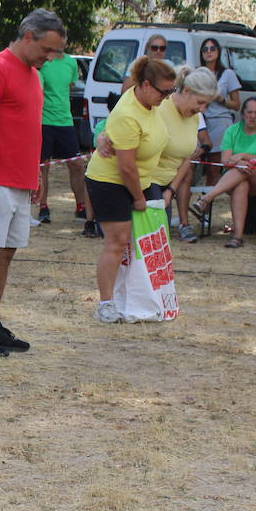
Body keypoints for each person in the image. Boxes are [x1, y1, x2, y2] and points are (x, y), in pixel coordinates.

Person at [0, 9, 66, 354]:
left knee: (5, 253)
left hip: (19, 179)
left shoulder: (33, 73)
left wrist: (32, 172)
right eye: (47, 50)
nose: (49, 58)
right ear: (28, 37)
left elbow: (27, 125)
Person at [85, 55, 175, 323]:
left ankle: (139, 298)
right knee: (117, 242)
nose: (167, 97)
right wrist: (138, 198)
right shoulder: (128, 113)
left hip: (142, 180)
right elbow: (126, 167)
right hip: (110, 182)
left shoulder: (148, 102)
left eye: (172, 91)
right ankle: (106, 303)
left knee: (145, 242)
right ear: (146, 85)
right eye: (164, 91)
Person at [189, 96, 256, 248]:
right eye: (249, 112)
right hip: (235, 176)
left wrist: (243, 156)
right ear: (243, 114)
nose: (252, 116)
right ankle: (237, 237)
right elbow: (225, 160)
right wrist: (240, 163)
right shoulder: (232, 130)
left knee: (242, 172)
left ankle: (207, 199)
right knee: (241, 184)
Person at [152, 66, 216, 243]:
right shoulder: (160, 106)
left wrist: (171, 190)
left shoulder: (194, 117)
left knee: (159, 246)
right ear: (186, 91)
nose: (202, 109)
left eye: (206, 105)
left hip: (165, 185)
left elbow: (187, 158)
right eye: (200, 102)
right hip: (145, 183)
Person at [35, 49, 95, 235]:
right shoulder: (44, 61)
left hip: (65, 121)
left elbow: (68, 86)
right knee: (43, 166)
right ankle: (43, 207)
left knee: (76, 165)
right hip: (44, 121)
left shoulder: (70, 62)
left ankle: (80, 206)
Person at [197, 37, 242, 186]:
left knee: (213, 169)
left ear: (218, 52)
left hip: (220, 121)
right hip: (198, 121)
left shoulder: (227, 74)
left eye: (212, 49)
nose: (209, 52)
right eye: (205, 49)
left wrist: (220, 99)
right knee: (193, 166)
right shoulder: (196, 73)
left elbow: (237, 105)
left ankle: (206, 203)